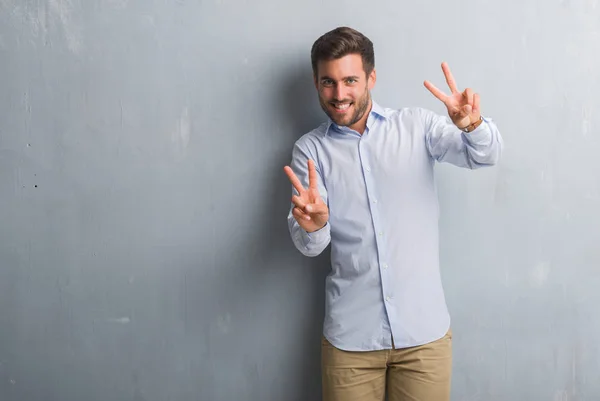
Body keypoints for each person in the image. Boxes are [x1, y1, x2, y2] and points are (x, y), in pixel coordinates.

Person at [283, 26, 503, 401]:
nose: (339, 95)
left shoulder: (417, 126)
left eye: (350, 80)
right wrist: (316, 226)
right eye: (328, 83)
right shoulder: (310, 151)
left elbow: (484, 156)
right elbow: (309, 245)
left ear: (371, 77)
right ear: (316, 83)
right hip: (350, 341)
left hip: (424, 339)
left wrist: (473, 126)